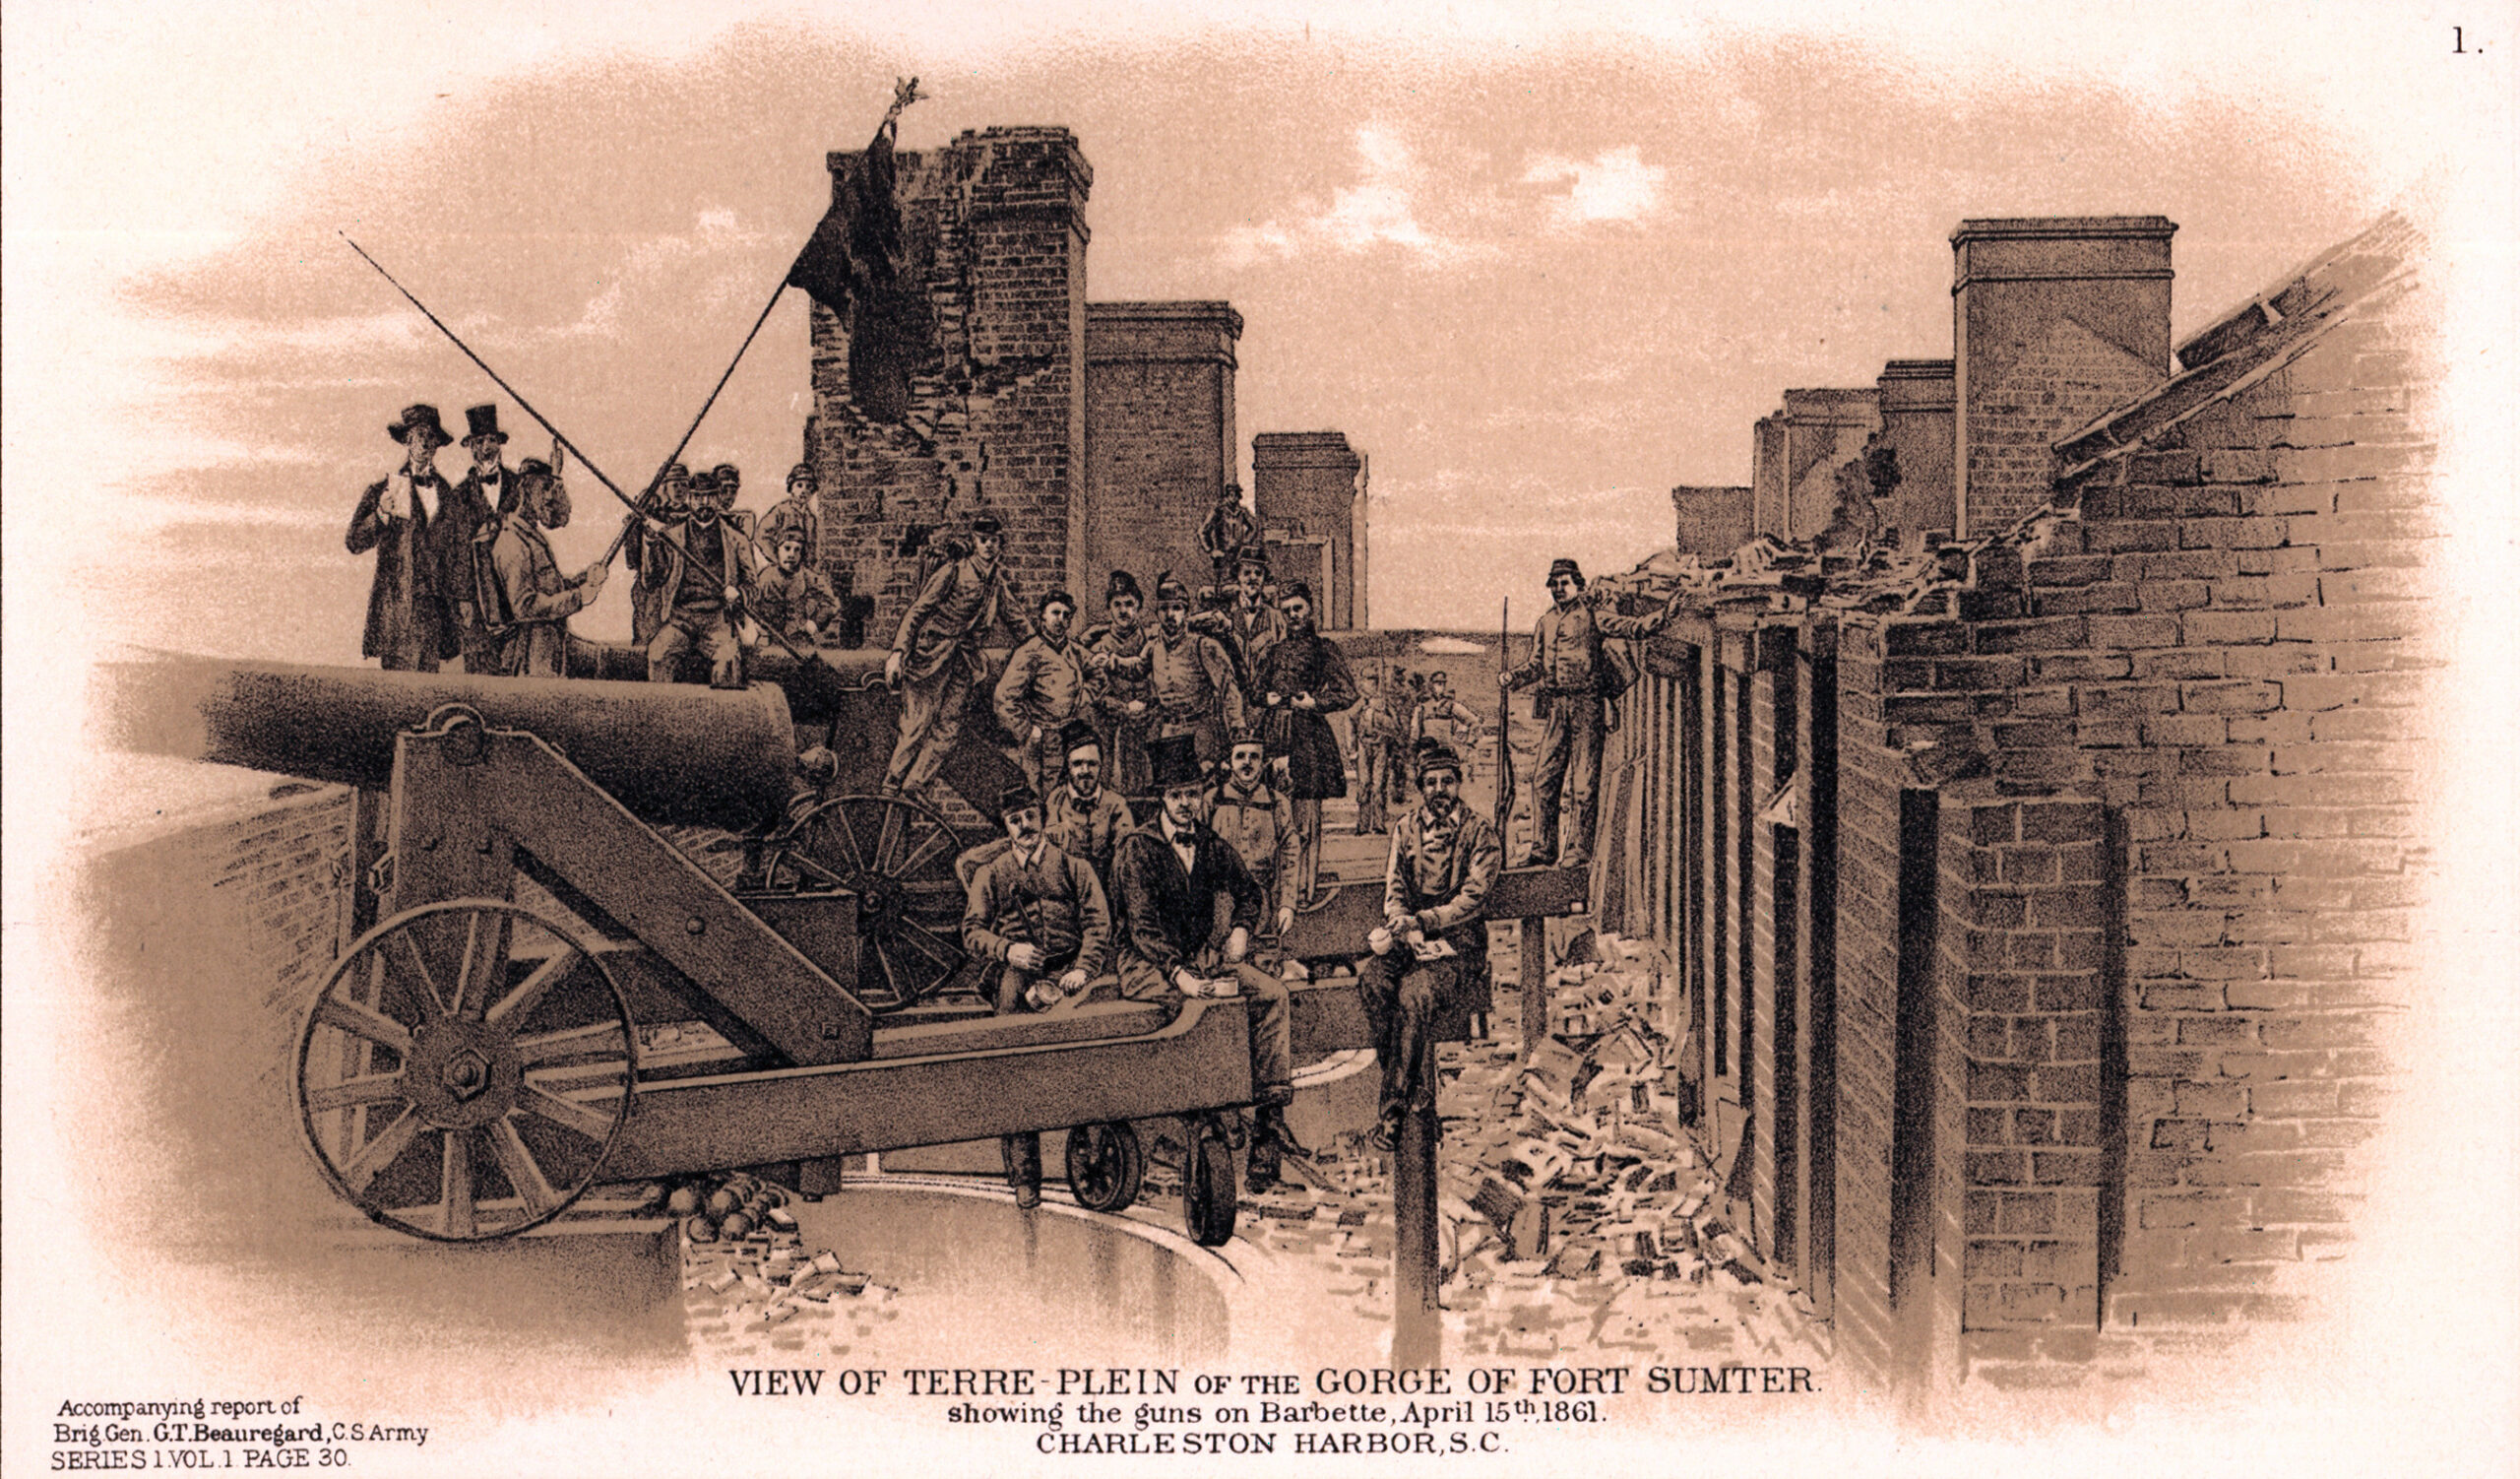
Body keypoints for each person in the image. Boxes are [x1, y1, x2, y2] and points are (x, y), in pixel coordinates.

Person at [1110, 740, 1304, 1192]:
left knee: (1272, 995)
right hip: (1148, 965)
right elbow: (1141, 928)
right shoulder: (1137, 848)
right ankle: (1209, 1118)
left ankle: (1267, 1126)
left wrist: (1241, 928)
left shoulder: (1211, 844)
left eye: (1193, 795)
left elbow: (1250, 892)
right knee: (1196, 1012)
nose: (1186, 804)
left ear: (1201, 796)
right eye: (1177, 795)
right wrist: (1179, 974)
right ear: (1163, 797)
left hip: (1201, 959)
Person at [962, 784, 1111, 1209]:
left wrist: (1084, 968)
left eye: (1030, 816)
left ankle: (1093, 1157)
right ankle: (1026, 1177)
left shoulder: (1074, 867)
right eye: (1015, 820)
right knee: (1016, 1072)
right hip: (1018, 975)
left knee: (1093, 1060)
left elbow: (1099, 924)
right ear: (1006, 827)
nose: (1024, 826)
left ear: (1042, 818)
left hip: (1072, 973)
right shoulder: (992, 874)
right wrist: (1008, 950)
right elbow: (971, 931)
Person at [1357, 739, 1500, 1150]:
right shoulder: (1405, 828)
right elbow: (1395, 886)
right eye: (1432, 783)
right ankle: (1415, 1089)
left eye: (1448, 782)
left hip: (1459, 943)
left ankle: (1393, 1111)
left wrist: (1428, 920)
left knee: (1416, 992)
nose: (1440, 790)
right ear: (1421, 787)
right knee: (1374, 982)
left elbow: (1471, 900)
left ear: (1459, 784)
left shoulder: (1481, 833)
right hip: (1412, 935)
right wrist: (1401, 921)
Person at [1500, 557, 1681, 867]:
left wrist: (1664, 617)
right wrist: (1514, 677)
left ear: (1579, 585)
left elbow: (1631, 628)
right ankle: (1543, 850)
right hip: (1558, 706)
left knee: (1583, 786)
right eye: (1554, 584)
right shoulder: (1545, 622)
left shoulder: (1594, 615)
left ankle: (1577, 851)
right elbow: (1536, 665)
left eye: (1565, 583)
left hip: (1587, 706)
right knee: (1543, 779)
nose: (1559, 589)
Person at [882, 514, 1030, 798]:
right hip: (930, 657)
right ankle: (890, 787)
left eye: (994, 541)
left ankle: (913, 789)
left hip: (964, 663)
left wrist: (1044, 648)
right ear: (974, 542)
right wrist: (899, 652)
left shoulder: (996, 581)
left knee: (948, 731)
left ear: (1001, 544)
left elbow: (1018, 622)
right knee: (915, 727)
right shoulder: (953, 571)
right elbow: (918, 611)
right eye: (983, 540)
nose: (988, 546)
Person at [1252, 581, 1355, 904]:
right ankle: (1276, 894)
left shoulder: (1324, 648)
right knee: (1274, 819)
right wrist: (1266, 698)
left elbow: (1347, 693)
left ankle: (1302, 894)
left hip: (1309, 739)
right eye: (1286, 611)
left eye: (1298, 608)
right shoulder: (1275, 651)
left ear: (1310, 607)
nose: (1293, 615)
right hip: (1274, 738)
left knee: (1306, 824)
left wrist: (1314, 702)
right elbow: (1255, 690)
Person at [346, 404, 464, 672]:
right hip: (399, 612)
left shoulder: (447, 494)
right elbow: (354, 541)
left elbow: (456, 554)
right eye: (418, 434)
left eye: (430, 435)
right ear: (407, 440)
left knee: (429, 688)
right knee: (400, 692)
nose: (424, 441)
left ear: (437, 444)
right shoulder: (385, 490)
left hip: (435, 613)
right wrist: (380, 514)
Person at [474, 458, 607, 677]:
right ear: (525, 491)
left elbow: (549, 586)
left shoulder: (531, 536)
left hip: (551, 644)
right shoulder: (512, 542)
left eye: (552, 489)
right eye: (544, 488)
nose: (550, 497)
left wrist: (583, 579)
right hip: (532, 656)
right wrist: (578, 597)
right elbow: (525, 606)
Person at [634, 463, 751, 688]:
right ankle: (663, 716)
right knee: (658, 654)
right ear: (689, 498)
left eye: (710, 497)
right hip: (681, 619)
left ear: (718, 499)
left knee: (728, 661)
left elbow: (752, 586)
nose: (704, 503)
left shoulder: (737, 539)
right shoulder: (672, 536)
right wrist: (650, 543)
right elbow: (651, 581)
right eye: (698, 497)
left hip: (717, 621)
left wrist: (739, 593)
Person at [1207, 730, 1299, 960]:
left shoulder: (1278, 803)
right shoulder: (1211, 800)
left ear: (1264, 762)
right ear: (1229, 762)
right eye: (1240, 756)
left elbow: (1290, 853)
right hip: (1218, 899)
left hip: (1261, 899)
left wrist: (1287, 903)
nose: (1247, 763)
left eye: (1254, 757)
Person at [993, 590, 1094, 793]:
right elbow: (1004, 698)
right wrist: (1027, 730)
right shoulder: (1029, 652)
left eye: (1067, 616)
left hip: (1069, 735)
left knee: (1064, 792)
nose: (1061, 620)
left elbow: (1097, 673)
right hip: (1039, 738)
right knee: (1038, 791)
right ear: (1043, 617)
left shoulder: (1075, 651)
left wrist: (1084, 697)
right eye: (1055, 613)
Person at [444, 405, 520, 673]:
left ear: (499, 444)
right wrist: (464, 598)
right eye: (478, 442)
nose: (485, 448)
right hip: (475, 600)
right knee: (480, 669)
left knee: (516, 668)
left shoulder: (519, 486)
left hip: (515, 595)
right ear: (470, 448)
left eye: (490, 440)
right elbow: (455, 553)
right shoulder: (458, 496)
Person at [1146, 572, 1244, 772]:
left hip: (1200, 734)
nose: (1170, 614)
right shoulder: (1153, 647)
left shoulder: (1204, 646)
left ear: (1186, 612)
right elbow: (1136, 667)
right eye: (1164, 608)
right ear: (1157, 612)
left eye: (1177, 608)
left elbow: (1228, 687)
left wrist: (1237, 725)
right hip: (1168, 734)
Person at [1082, 571, 1157, 796]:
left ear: (1139, 606)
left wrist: (1145, 705)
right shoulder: (1099, 646)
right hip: (1109, 724)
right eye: (1117, 604)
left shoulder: (1150, 642)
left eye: (1129, 604)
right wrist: (1122, 708)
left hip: (1146, 721)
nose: (1123, 610)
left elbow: (1159, 679)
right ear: (1109, 608)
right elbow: (1096, 691)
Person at [1043, 719, 1134, 887]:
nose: (1085, 771)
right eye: (1077, 764)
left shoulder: (1116, 804)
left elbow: (1126, 855)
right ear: (1067, 767)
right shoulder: (1055, 802)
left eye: (1092, 764)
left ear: (1101, 766)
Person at [625, 463, 693, 649]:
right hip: (652, 585)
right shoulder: (654, 514)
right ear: (665, 487)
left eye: (683, 484)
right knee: (647, 631)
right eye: (674, 485)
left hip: (682, 583)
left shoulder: (693, 517)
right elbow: (633, 554)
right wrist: (638, 515)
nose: (680, 489)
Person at [750, 516, 840, 647]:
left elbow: (832, 603)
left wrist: (814, 623)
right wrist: (757, 625)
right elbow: (751, 603)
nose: (791, 554)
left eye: (797, 550)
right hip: (770, 640)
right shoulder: (766, 577)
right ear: (778, 551)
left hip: (799, 640)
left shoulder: (807, 577)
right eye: (787, 548)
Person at [1213, 546, 1287, 691]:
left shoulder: (1276, 618)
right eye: (1246, 573)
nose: (1253, 578)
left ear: (1265, 578)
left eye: (1258, 573)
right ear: (1237, 577)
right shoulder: (1224, 615)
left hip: (1267, 700)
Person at [1412, 671, 1482, 782]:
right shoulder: (1423, 705)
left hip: (1446, 749)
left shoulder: (1451, 705)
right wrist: (1414, 744)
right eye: (1437, 683)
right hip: (1427, 749)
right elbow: (1415, 727)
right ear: (1431, 685)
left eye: (1442, 684)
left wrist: (1472, 733)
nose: (1440, 686)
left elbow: (1470, 719)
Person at [1353, 669, 1397, 835]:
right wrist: (1352, 749)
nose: (1371, 684)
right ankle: (1363, 825)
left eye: (1374, 681)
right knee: (1364, 784)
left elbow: (1395, 726)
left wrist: (1380, 716)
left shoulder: (1383, 703)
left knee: (1378, 786)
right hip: (1363, 746)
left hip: (1380, 746)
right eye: (1368, 680)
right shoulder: (1360, 703)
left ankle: (1378, 823)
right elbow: (1349, 721)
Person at [1196, 483, 1259, 590]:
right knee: (1223, 585)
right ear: (1227, 496)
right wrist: (1211, 550)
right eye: (1231, 495)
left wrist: (1245, 542)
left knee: (1239, 584)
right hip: (1222, 554)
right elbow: (1202, 531)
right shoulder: (1219, 511)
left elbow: (1254, 527)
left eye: (1236, 495)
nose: (1233, 498)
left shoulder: (1242, 512)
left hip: (1239, 554)